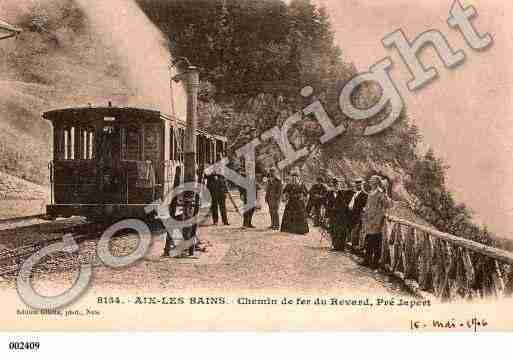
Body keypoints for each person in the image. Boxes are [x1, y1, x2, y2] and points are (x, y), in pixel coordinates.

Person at [361, 175, 392, 269]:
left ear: (376, 182)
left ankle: (375, 262)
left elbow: (387, 205)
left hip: (377, 220)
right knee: (368, 240)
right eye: (370, 180)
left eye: (372, 180)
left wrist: (386, 192)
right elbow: (368, 205)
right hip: (369, 220)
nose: (370, 182)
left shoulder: (380, 193)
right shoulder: (371, 192)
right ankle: (367, 260)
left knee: (376, 242)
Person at [280, 170, 309, 235]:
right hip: (291, 202)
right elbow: (284, 192)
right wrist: (285, 198)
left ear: (298, 178)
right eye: (293, 177)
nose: (294, 179)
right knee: (289, 215)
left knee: (301, 216)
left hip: (299, 202)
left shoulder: (302, 185)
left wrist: (304, 198)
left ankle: (301, 230)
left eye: (296, 177)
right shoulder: (289, 185)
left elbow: (306, 193)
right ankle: (290, 230)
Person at [330, 177, 355, 251]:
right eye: (335, 185)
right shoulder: (330, 193)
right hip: (333, 214)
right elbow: (327, 203)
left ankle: (341, 246)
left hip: (342, 215)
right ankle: (334, 245)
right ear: (333, 185)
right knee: (334, 230)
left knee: (342, 230)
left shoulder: (343, 192)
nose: (336, 186)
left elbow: (352, 193)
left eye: (337, 185)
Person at [348, 178, 368, 252]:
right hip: (353, 215)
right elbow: (351, 204)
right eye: (357, 185)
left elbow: (365, 206)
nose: (358, 186)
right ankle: (353, 247)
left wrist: (362, 213)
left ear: (362, 185)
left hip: (360, 216)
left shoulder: (365, 194)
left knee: (358, 231)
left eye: (360, 185)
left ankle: (358, 248)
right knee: (354, 231)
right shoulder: (355, 193)